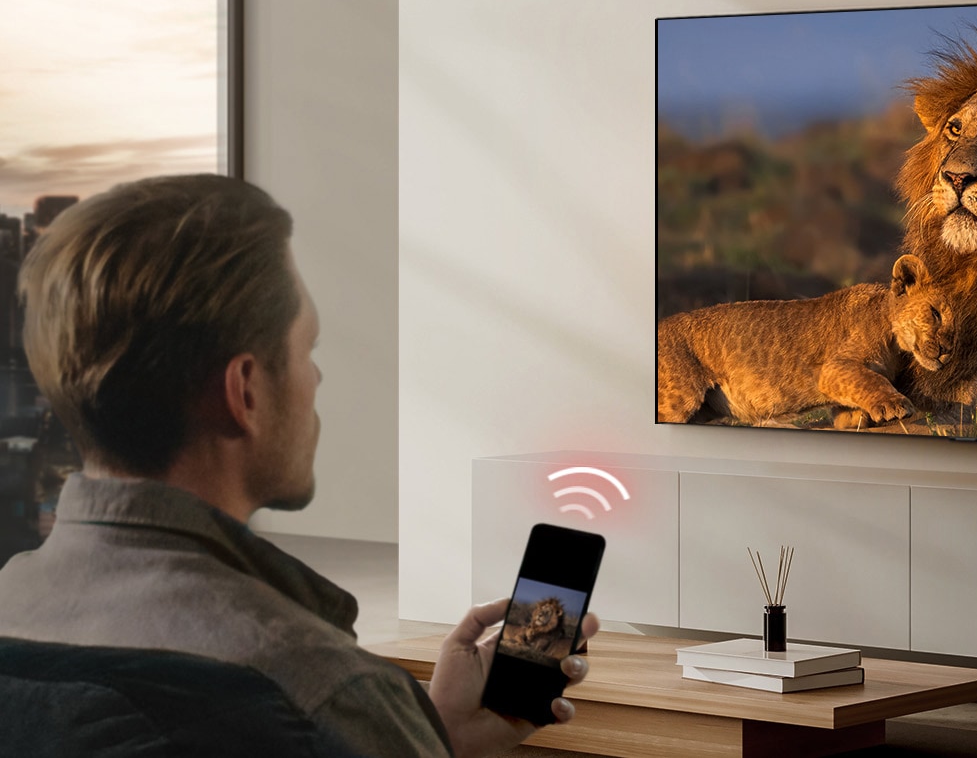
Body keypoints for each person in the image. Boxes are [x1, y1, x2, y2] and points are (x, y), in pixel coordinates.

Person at [0, 174, 593, 758]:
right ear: (246, 391)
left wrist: (435, 736)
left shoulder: (11, 605)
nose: (316, 377)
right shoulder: (318, 691)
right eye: (307, 348)